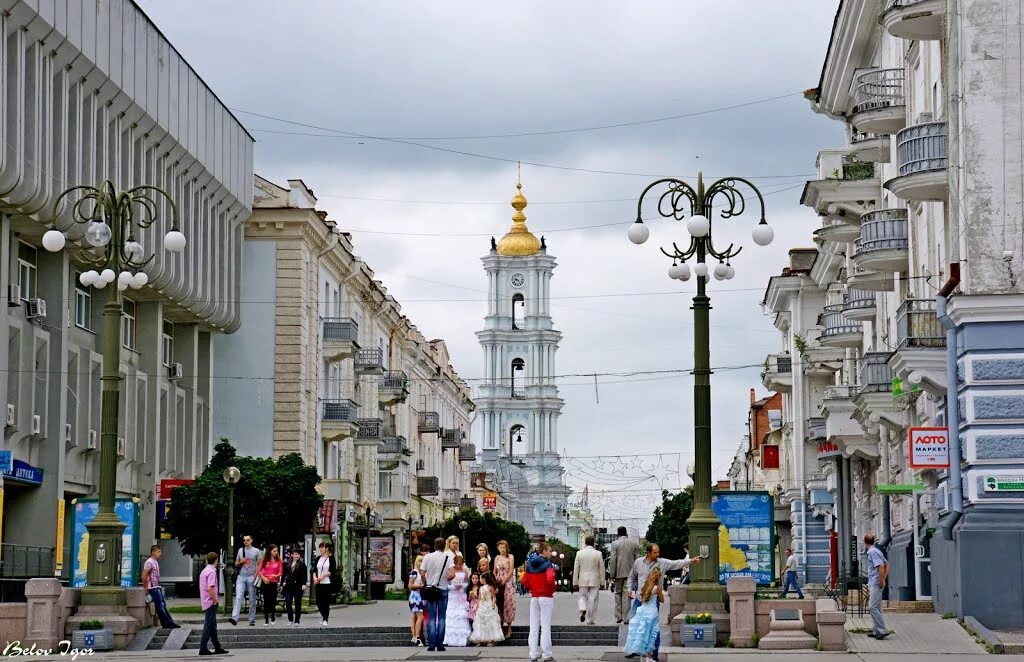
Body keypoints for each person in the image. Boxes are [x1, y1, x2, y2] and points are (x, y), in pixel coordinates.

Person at [626, 543, 697, 662]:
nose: (658, 554)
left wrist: (690, 561)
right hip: (639, 599)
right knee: (634, 624)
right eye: (655, 552)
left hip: (653, 600)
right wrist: (629, 589)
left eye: (658, 552)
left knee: (654, 628)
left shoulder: (662, 563)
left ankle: (654, 654)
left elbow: (676, 563)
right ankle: (635, 649)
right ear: (648, 553)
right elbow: (631, 577)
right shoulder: (638, 562)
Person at [521, 542, 557, 662]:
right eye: (549, 551)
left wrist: (533, 587)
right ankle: (546, 654)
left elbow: (524, 580)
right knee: (545, 626)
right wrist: (552, 590)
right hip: (546, 596)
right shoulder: (548, 564)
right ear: (544, 551)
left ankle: (533, 654)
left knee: (534, 626)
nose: (551, 553)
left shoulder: (530, 564)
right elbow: (550, 580)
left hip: (534, 597)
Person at [624, 567, 664, 662]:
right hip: (652, 612)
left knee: (643, 633)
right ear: (658, 578)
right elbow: (662, 600)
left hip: (643, 611)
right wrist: (659, 594)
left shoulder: (645, 586)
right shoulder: (656, 588)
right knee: (651, 634)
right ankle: (649, 656)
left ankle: (643, 656)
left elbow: (642, 599)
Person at [421, 537, 452, 652]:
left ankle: (431, 644)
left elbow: (422, 573)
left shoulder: (427, 557)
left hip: (430, 589)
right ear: (444, 546)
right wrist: (445, 579)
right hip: (443, 589)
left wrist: (427, 583)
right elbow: (452, 574)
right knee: (442, 617)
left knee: (432, 617)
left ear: (434, 546)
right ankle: (440, 644)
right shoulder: (448, 558)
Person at [609, 526, 642, 624]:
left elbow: (613, 559)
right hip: (630, 573)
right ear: (626, 533)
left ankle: (618, 616)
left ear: (618, 534)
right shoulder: (634, 544)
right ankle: (626, 618)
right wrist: (637, 573)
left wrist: (612, 574)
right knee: (627, 595)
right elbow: (637, 559)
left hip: (618, 573)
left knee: (617, 593)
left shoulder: (614, 544)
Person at [198, 552, 228, 656]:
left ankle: (217, 647)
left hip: (205, 600)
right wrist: (215, 600)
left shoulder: (204, 571)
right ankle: (203, 648)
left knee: (212, 625)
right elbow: (210, 588)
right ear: (216, 560)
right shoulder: (212, 572)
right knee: (209, 625)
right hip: (210, 601)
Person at [142, 544, 179, 629]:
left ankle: (168, 623)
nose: (160, 553)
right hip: (153, 588)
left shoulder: (155, 562)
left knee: (162, 605)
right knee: (160, 606)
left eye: (160, 552)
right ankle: (168, 623)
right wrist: (146, 589)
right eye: (158, 552)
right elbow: (144, 576)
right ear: (153, 552)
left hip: (157, 587)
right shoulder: (149, 562)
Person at [230, 534, 261, 627]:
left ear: (251, 540)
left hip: (251, 576)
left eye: (247, 540)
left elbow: (260, 564)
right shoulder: (240, 550)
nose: (246, 542)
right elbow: (236, 564)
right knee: (238, 597)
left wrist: (256, 574)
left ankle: (252, 619)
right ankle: (234, 618)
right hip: (241, 576)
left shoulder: (256, 551)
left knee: (252, 598)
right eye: (244, 540)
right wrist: (241, 562)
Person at [573, 535, 605, 625]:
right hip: (594, 579)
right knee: (593, 599)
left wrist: (575, 581)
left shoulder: (579, 553)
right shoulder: (598, 554)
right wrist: (602, 582)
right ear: (593, 543)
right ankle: (590, 619)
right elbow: (601, 569)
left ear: (585, 543)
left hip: (582, 579)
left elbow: (576, 568)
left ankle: (582, 608)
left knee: (582, 596)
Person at [864, 534, 890, 640]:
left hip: (876, 582)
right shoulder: (878, 550)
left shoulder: (871, 552)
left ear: (865, 543)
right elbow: (887, 564)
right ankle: (876, 631)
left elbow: (880, 566)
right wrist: (884, 579)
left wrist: (881, 580)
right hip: (877, 582)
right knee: (877, 607)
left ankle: (882, 630)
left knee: (872, 607)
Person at [444, 554, 472, 647]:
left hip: (461, 594)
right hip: (452, 595)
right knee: (451, 614)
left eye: (461, 564)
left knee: (461, 614)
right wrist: (453, 587)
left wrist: (462, 586)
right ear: (454, 563)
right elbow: (446, 584)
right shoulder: (451, 571)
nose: (459, 566)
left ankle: (462, 638)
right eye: (458, 564)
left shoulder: (465, 571)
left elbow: (467, 583)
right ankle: (450, 638)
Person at [470, 572, 505, 646]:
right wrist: (476, 606)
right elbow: (479, 598)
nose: (480, 580)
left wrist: (493, 603)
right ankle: (480, 639)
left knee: (490, 622)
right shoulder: (480, 588)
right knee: (481, 622)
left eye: (481, 578)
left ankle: (491, 639)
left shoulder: (490, 587)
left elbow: (494, 597)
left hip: (489, 604)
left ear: (485, 579)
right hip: (482, 605)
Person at [493, 539, 517, 639]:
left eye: (504, 547)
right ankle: (500, 627)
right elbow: (494, 571)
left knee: (508, 604)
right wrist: (496, 581)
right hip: (498, 582)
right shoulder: (497, 558)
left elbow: (511, 571)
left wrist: (504, 581)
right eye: (500, 547)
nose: (502, 549)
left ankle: (509, 628)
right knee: (499, 604)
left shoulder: (510, 557)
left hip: (507, 583)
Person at [312, 541, 337, 626]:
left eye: (322, 547)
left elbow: (333, 571)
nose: (321, 549)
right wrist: (314, 578)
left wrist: (324, 575)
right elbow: (314, 570)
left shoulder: (331, 559)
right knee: (318, 602)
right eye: (320, 547)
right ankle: (323, 616)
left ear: (327, 549)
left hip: (327, 583)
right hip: (319, 583)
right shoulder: (318, 558)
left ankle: (325, 619)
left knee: (325, 602)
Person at [282, 547, 307, 627]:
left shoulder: (302, 564)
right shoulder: (287, 564)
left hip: (298, 586)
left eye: (298, 554)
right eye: (295, 554)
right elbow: (283, 575)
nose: (297, 556)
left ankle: (297, 620)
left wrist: (304, 584)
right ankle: (290, 619)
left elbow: (304, 576)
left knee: (297, 603)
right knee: (288, 602)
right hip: (289, 586)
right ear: (292, 555)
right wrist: (282, 584)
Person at [258, 544, 283, 625]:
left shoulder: (278, 561)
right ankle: (266, 619)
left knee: (273, 600)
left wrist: (275, 575)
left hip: (274, 583)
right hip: (265, 582)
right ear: (270, 551)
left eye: (276, 551)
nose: (276, 552)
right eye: (274, 551)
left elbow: (280, 572)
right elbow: (259, 571)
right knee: (266, 601)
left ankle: (272, 615)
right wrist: (264, 578)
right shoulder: (264, 560)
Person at [408, 553, 426, 646]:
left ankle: (415, 637)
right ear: (416, 561)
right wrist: (420, 586)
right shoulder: (414, 572)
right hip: (415, 595)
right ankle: (417, 637)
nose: (421, 562)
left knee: (415, 616)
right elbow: (410, 585)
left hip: (418, 595)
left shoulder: (421, 572)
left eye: (423, 561)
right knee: (420, 616)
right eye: (420, 560)